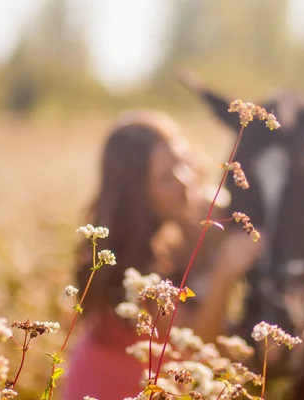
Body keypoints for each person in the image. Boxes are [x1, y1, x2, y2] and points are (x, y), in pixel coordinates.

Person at [62, 110, 263, 400]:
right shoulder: (133, 267)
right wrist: (225, 273)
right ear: (139, 195)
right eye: (166, 178)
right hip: (115, 387)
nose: (184, 180)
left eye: (183, 160)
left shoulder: (192, 211)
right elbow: (192, 343)